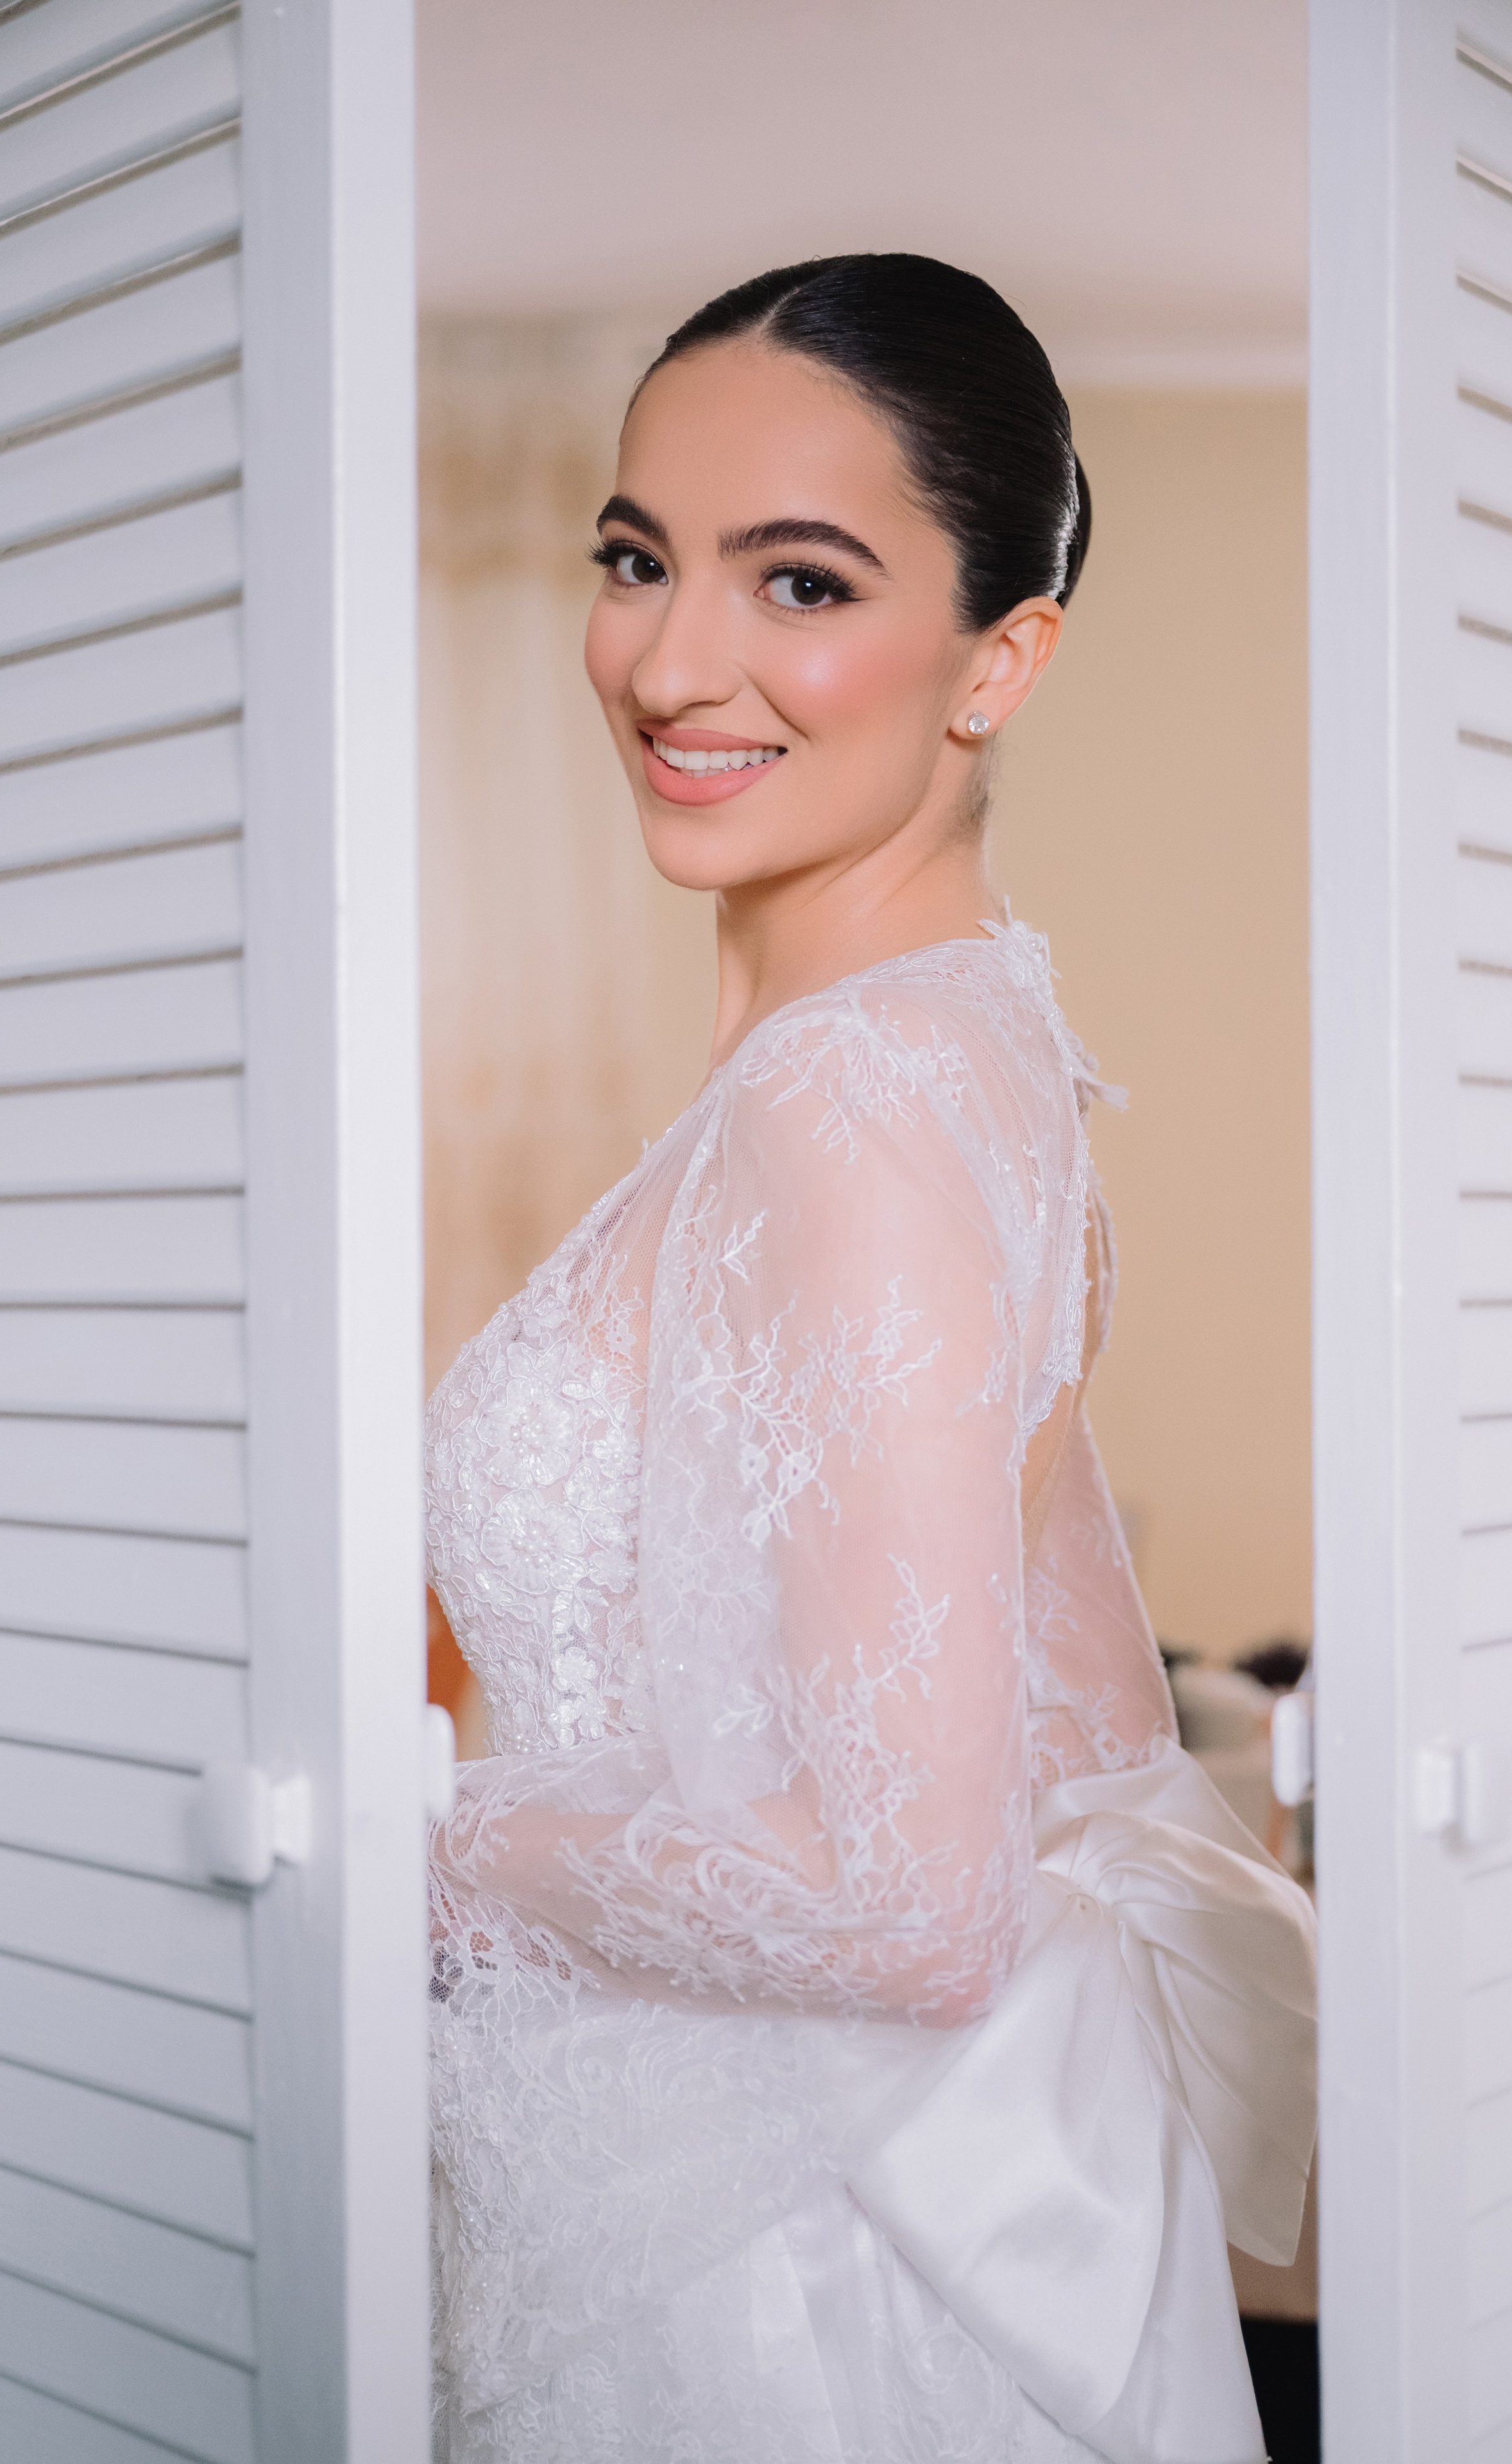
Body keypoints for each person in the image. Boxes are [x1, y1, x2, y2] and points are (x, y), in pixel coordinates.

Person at [426, 253, 1317, 2464]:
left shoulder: (862, 1106)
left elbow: (905, 1903)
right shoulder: (958, 1048)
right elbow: (1091, 1707)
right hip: (763, 2203)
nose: (668, 657)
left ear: (999, 658)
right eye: (635, 557)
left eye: (796, 579)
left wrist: (412, 1837)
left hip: (794, 2282)